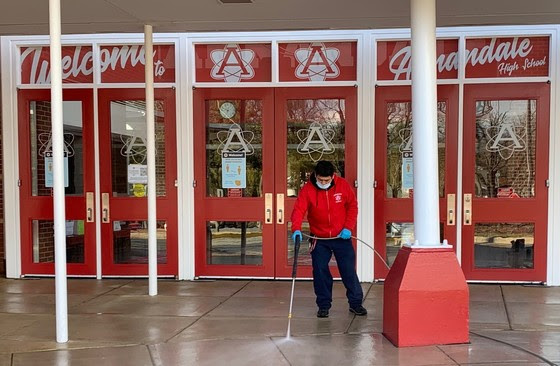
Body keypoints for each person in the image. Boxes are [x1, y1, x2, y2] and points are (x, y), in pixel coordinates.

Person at [290, 160, 366, 318]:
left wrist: (348, 227)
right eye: (320, 180)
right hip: (319, 238)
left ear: (333, 176)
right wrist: (296, 228)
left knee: (348, 270)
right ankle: (323, 305)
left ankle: (356, 303)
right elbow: (299, 209)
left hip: (341, 236)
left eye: (327, 180)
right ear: (315, 176)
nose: (323, 183)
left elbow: (352, 206)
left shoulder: (343, 185)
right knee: (320, 271)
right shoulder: (308, 189)